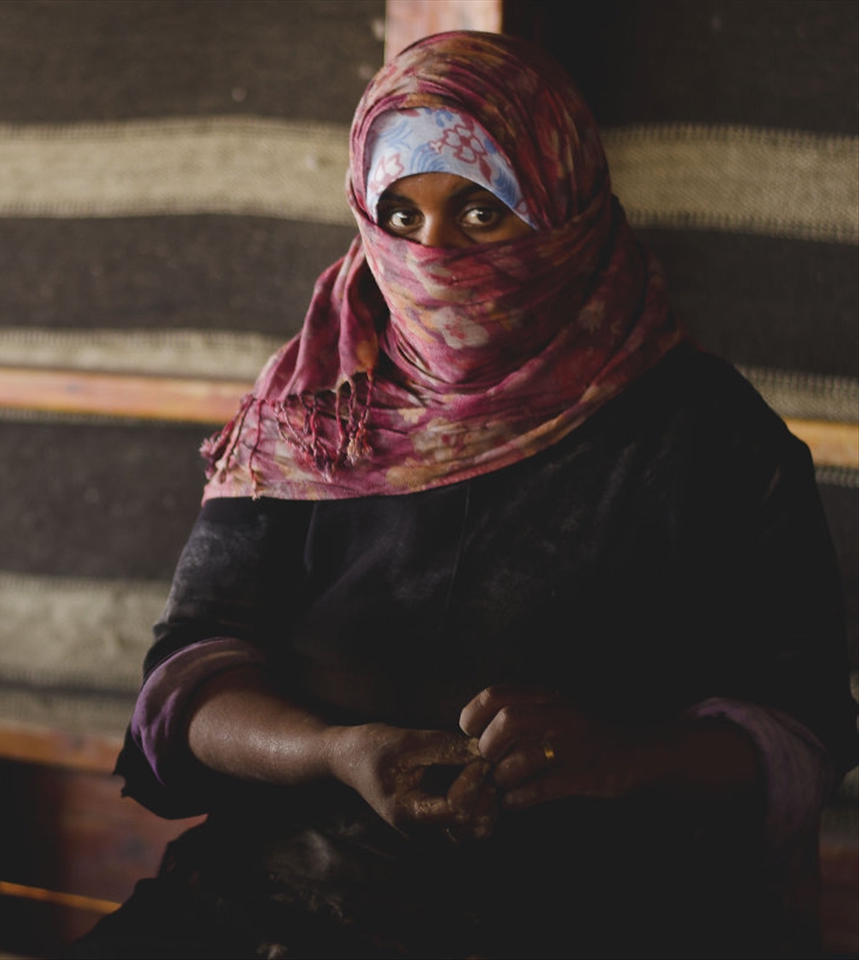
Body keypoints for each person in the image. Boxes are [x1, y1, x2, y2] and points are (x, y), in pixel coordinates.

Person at [65, 30, 855, 960]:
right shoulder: (312, 410)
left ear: (565, 207)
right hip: (281, 898)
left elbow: (799, 726)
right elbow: (188, 678)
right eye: (400, 216)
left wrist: (622, 757)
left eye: (480, 213)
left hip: (597, 916)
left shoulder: (707, 437)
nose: (433, 254)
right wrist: (337, 752)